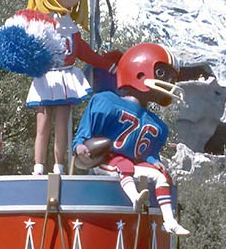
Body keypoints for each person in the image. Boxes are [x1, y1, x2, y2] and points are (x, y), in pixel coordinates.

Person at [2, 0, 121, 175]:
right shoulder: (37, 21)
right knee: (43, 124)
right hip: (47, 76)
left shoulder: (69, 24)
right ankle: (38, 166)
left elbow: (82, 50)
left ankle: (59, 166)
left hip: (67, 76)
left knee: (63, 125)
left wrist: (104, 63)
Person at [72, 42, 189, 235]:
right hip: (107, 162)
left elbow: (147, 153)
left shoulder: (158, 125)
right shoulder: (106, 102)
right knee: (122, 165)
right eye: (162, 74)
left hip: (131, 167)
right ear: (139, 72)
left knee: (161, 176)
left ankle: (169, 221)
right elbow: (84, 135)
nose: (170, 82)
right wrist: (79, 147)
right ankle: (135, 198)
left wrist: (154, 161)